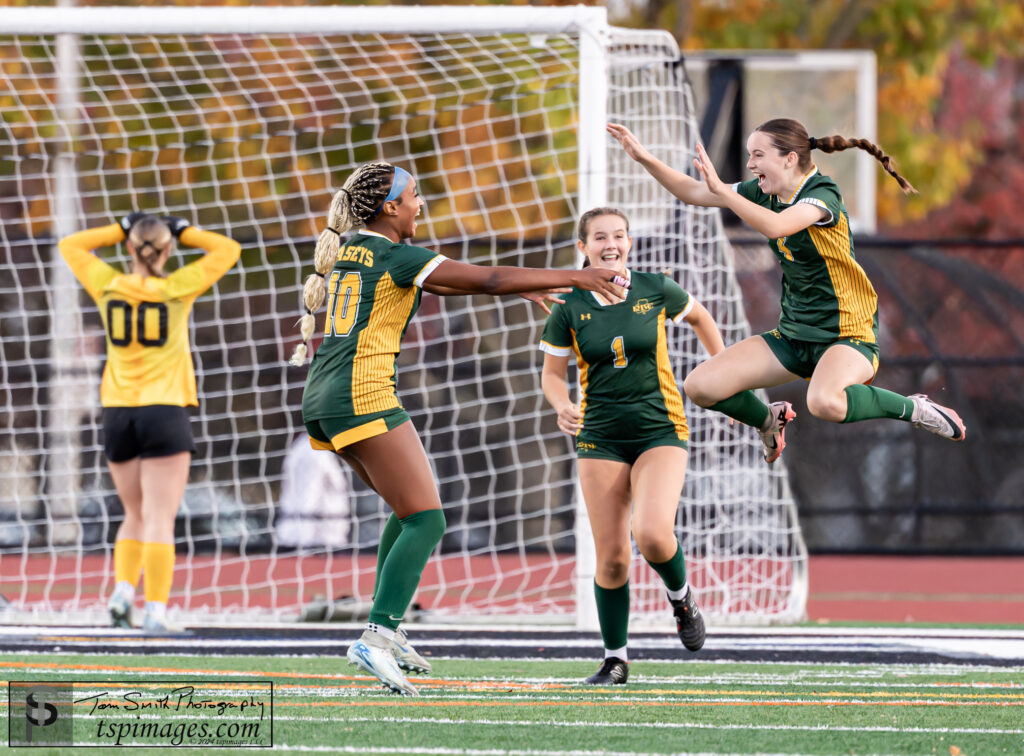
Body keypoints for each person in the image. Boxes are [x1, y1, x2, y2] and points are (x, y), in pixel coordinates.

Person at [290, 161, 629, 696]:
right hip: (361, 394)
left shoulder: (355, 250)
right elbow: (485, 277)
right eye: (414, 195)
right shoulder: (395, 253)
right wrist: (576, 275)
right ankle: (375, 637)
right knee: (427, 519)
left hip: (325, 395)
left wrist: (514, 289)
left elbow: (455, 285)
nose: (420, 204)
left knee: (406, 514)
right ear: (390, 208)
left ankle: (389, 626)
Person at [607, 119, 966, 464]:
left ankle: (916, 408)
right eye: (749, 155)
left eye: (758, 155)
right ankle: (768, 420)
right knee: (701, 386)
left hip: (846, 336)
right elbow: (694, 192)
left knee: (824, 401)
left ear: (789, 158)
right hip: (794, 337)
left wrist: (724, 194)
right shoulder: (765, 193)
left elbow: (779, 226)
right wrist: (645, 158)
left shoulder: (821, 195)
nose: (750, 164)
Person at [539, 207, 725, 685]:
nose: (611, 243)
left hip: (659, 428)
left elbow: (702, 319)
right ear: (583, 248)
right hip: (599, 435)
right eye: (600, 237)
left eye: (619, 235)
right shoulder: (569, 306)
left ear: (629, 243)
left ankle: (681, 599)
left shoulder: (655, 287)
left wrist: (725, 372)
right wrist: (562, 405)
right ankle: (615, 659)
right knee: (613, 558)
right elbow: (552, 376)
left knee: (654, 534)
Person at [59, 213, 241, 632]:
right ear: (167, 250)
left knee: (133, 513)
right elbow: (228, 249)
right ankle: (156, 610)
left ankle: (123, 591)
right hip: (164, 409)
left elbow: (70, 245)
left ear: (129, 250)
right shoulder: (177, 286)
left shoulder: (109, 283)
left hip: (118, 413)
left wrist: (121, 227)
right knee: (160, 516)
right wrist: (184, 230)